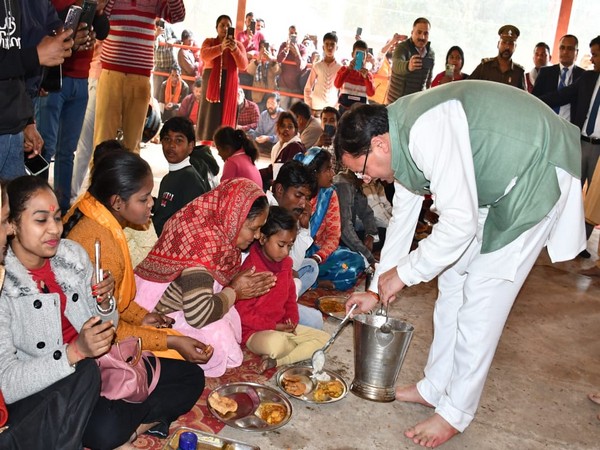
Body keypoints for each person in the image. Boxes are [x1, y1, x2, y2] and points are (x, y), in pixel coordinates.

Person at [335, 81, 585, 447]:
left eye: (363, 169)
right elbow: (403, 224)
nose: (365, 179)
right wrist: (376, 288)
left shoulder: (424, 132)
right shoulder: (399, 143)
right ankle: (435, 387)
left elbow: (459, 224)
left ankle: (456, 412)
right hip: (495, 182)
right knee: (452, 281)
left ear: (379, 145)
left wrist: (405, 274)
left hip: (536, 168)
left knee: (482, 294)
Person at [0, 176, 204, 448]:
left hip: (102, 363)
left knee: (191, 377)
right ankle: (119, 427)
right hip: (57, 384)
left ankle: (133, 428)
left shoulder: (71, 256)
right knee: (103, 428)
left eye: (58, 218)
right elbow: (9, 383)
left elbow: (106, 328)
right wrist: (75, 352)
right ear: (11, 224)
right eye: (41, 220)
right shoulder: (6, 284)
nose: (54, 230)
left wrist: (105, 302)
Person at [63, 148, 216, 375]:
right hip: (84, 345)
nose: (151, 203)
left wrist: (142, 317)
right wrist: (169, 342)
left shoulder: (91, 210)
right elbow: (107, 331)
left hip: (93, 327)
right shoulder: (101, 245)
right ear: (117, 202)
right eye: (143, 199)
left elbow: (112, 305)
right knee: (188, 373)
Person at [134, 179, 277, 377]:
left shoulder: (216, 229)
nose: (257, 236)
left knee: (230, 320)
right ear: (233, 218)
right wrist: (235, 292)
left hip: (185, 305)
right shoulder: (204, 245)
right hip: (156, 316)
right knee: (219, 339)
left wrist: (233, 292)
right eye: (253, 228)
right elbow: (198, 315)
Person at [36, 1, 109, 214]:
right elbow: (47, 23)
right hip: (54, 78)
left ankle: (62, 208)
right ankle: (38, 205)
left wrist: (97, 9)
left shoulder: (93, 4)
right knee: (44, 146)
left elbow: (103, 30)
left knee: (67, 151)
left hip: (81, 79)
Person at [236, 206, 329, 373]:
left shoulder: (286, 264)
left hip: (280, 328)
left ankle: (277, 361)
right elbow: (243, 315)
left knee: (325, 339)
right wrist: (274, 326)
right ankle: (285, 350)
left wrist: (291, 321)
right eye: (281, 245)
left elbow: (289, 300)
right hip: (254, 332)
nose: (286, 252)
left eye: (290, 245)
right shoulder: (251, 270)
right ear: (263, 238)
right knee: (276, 344)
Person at [94, 0, 186, 153]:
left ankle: (130, 177)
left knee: (133, 143)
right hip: (111, 72)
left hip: (140, 77)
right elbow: (101, 14)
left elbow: (177, 15)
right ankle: (98, 177)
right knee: (103, 140)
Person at [538, 36, 600, 259]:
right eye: (592, 53)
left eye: (596, 54)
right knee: (569, 191)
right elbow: (562, 95)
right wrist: (533, 100)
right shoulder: (589, 78)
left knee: (593, 199)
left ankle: (580, 243)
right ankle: (556, 235)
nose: (592, 59)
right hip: (580, 143)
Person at [0, 2, 74, 179]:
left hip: (13, 129)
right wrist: (36, 55)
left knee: (19, 205)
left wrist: (27, 121)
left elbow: (14, 58)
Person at [266, 161, 324, 329]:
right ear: (279, 189)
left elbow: (295, 263)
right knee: (315, 320)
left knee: (311, 266)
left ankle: (287, 302)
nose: (302, 203)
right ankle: (279, 312)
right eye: (298, 195)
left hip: (281, 276)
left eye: (306, 198)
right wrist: (292, 277)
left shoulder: (288, 212)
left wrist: (304, 228)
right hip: (265, 285)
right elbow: (282, 265)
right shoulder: (267, 213)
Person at [298, 148, 365, 290]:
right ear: (314, 173)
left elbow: (334, 235)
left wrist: (318, 257)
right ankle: (313, 282)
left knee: (356, 262)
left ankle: (308, 278)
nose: (332, 173)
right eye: (327, 169)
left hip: (318, 255)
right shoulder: (296, 195)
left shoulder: (329, 194)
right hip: (293, 252)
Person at [154, 117, 213, 236]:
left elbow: (192, 229)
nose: (171, 145)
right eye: (167, 139)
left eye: (179, 140)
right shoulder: (167, 178)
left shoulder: (191, 182)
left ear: (190, 146)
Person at [196, 15, 248, 144]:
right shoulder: (209, 41)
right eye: (222, 25)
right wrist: (221, 47)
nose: (225, 28)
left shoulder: (238, 45)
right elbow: (204, 55)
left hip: (230, 82)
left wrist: (234, 49)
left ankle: (225, 147)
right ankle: (205, 147)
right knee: (210, 115)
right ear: (216, 28)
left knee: (226, 115)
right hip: (211, 82)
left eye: (227, 25)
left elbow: (243, 65)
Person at [334, 169, 380, 270]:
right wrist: (369, 257)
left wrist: (370, 235)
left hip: (346, 234)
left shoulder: (354, 183)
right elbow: (345, 227)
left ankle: (361, 254)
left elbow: (366, 212)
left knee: (382, 233)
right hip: (337, 239)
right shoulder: (343, 184)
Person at [533, 35, 584, 122]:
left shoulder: (583, 76)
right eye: (562, 48)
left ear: (577, 52)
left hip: (569, 127)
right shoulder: (545, 72)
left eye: (570, 48)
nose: (565, 52)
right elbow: (535, 100)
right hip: (546, 122)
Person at [386, 17, 435, 104]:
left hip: (416, 103)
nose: (422, 37)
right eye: (419, 32)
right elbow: (396, 65)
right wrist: (408, 66)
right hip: (396, 102)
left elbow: (429, 79)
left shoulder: (430, 53)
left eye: (426, 33)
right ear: (412, 33)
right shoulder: (402, 47)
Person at [469, 25, 526, 90]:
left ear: (515, 47)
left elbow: (523, 97)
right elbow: (468, 86)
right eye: (504, 43)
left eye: (510, 44)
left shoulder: (518, 72)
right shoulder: (485, 67)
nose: (507, 47)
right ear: (498, 44)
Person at [260, 111, 306, 190]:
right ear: (278, 128)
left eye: (290, 126)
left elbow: (287, 174)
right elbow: (273, 169)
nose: (286, 129)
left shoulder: (295, 147)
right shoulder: (278, 146)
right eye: (283, 126)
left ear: (295, 130)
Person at [303, 32, 342, 116]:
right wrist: (310, 105)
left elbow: (342, 90)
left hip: (332, 109)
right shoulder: (317, 66)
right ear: (323, 47)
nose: (329, 47)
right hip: (315, 108)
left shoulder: (340, 68)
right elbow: (308, 88)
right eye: (327, 44)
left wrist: (336, 107)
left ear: (337, 47)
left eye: (332, 44)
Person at [276, 25, 308, 110]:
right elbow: (278, 60)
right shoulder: (284, 45)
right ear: (288, 34)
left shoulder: (303, 48)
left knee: (295, 112)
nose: (293, 35)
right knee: (282, 110)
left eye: (295, 33)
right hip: (284, 85)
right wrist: (286, 50)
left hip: (297, 88)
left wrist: (297, 53)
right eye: (291, 33)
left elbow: (302, 66)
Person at [245, 40, 280, 111]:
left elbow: (278, 71)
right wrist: (257, 61)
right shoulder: (255, 59)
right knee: (259, 115)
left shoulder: (273, 59)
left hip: (271, 94)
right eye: (262, 47)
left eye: (266, 47)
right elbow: (249, 71)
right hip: (258, 95)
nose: (264, 50)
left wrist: (270, 60)